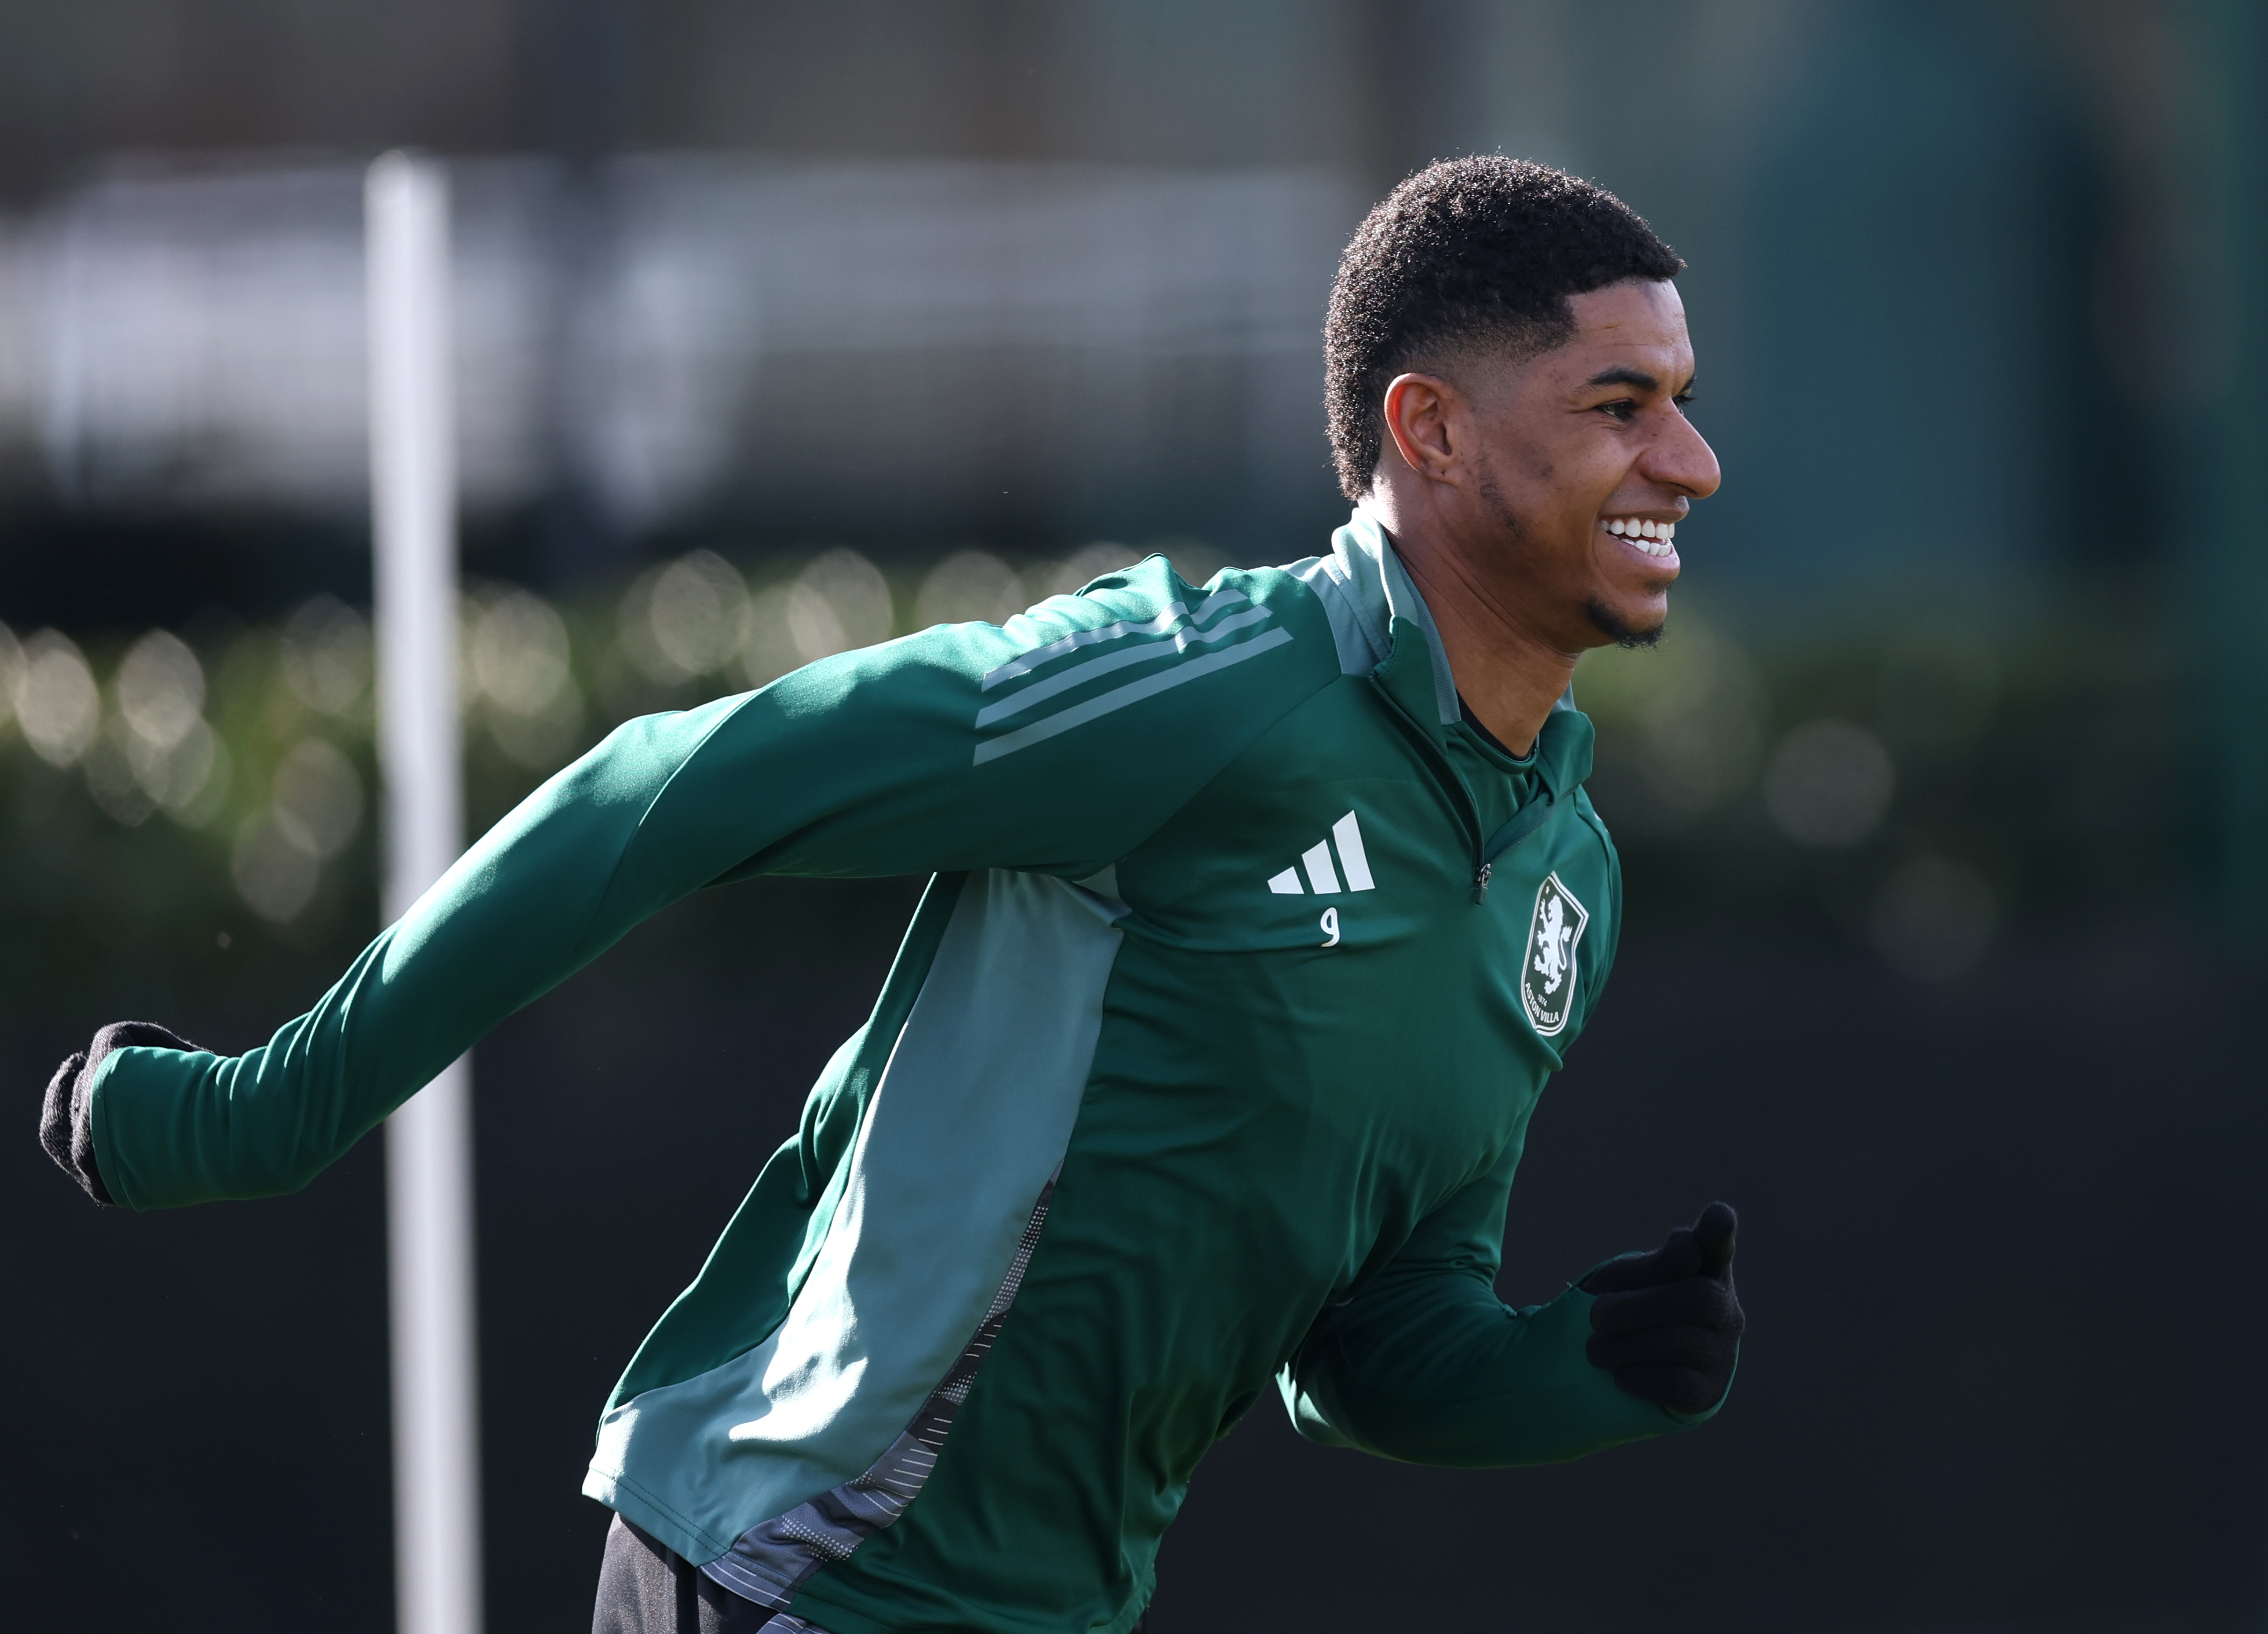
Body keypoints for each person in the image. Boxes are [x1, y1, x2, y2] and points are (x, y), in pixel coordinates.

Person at [41, 156, 1741, 1634]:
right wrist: (266, 1113)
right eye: (1618, 404)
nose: (1692, 460)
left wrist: (1570, 1373)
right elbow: (669, 784)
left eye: (1680, 397)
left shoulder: (1558, 880)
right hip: (800, 1572)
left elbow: (1362, 1345)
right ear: (1428, 431)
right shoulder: (1211, 684)